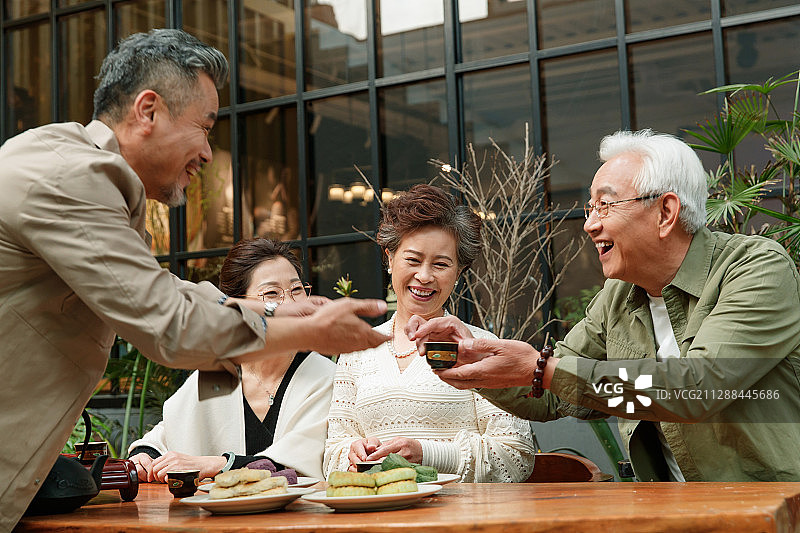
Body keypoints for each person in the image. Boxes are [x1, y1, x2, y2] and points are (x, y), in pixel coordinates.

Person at [0, 29, 388, 529]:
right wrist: (313, 331)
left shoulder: (75, 165)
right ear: (148, 110)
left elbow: (167, 295)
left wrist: (273, 311)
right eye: (205, 128)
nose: (208, 153)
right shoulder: (72, 176)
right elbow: (170, 325)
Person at [409, 130, 800, 482]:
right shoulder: (618, 297)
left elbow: (697, 388)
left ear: (666, 212)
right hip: (673, 512)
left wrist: (543, 370)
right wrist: (470, 358)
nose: (589, 224)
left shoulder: (755, 267)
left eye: (605, 206)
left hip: (773, 510)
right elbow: (551, 392)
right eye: (589, 208)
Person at [324, 184, 537, 482]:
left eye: (441, 264)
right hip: (381, 517)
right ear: (389, 258)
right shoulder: (357, 351)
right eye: (412, 260)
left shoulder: (481, 348)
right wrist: (351, 453)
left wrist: (428, 453)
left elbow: (516, 458)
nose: (424, 276)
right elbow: (332, 452)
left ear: (459, 273)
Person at [128, 238, 336, 481]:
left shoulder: (326, 376)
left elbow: (298, 462)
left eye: (297, 290)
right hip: (215, 518)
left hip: (298, 516)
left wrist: (219, 464)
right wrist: (144, 456)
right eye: (271, 293)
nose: (290, 304)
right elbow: (170, 431)